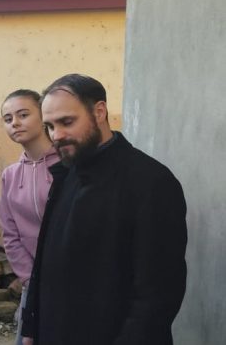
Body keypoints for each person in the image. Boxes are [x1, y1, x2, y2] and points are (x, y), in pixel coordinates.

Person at [20, 74, 187, 345]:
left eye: (67, 122)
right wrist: (31, 327)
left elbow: (158, 293)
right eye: (49, 126)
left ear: (99, 112)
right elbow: (45, 263)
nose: (56, 135)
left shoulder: (151, 182)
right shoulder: (66, 175)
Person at [0, 89, 59, 345]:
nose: (15, 123)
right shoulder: (10, 175)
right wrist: (29, 277)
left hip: (71, 282)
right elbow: (10, 233)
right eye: (8, 119)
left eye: (23, 115)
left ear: (43, 116)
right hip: (32, 285)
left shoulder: (67, 166)